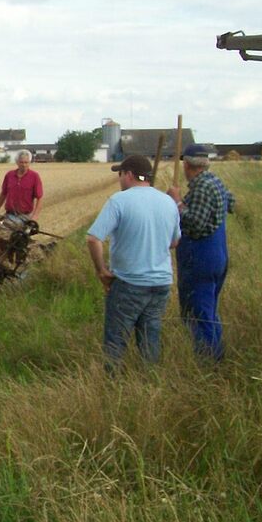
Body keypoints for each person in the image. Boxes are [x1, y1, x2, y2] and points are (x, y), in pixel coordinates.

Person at [86, 154, 181, 371]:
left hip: (129, 282)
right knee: (150, 337)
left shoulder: (119, 200)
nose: (119, 179)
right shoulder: (168, 202)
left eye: (120, 174)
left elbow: (93, 238)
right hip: (161, 284)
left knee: (116, 340)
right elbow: (175, 242)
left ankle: (110, 383)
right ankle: (151, 378)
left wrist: (101, 270)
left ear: (129, 174)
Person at [168, 144, 235, 361]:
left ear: (187, 165)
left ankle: (208, 362)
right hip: (218, 256)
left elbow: (195, 224)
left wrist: (178, 202)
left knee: (199, 315)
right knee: (209, 311)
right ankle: (216, 354)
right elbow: (231, 203)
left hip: (200, 260)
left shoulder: (202, 188)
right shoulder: (215, 182)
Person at [0, 149, 43, 221]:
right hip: (9, 215)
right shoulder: (9, 175)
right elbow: (3, 194)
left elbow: (39, 198)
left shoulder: (34, 176)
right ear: (17, 162)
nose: (24, 165)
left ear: (29, 162)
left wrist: (35, 217)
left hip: (25, 216)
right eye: (21, 162)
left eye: (26, 162)